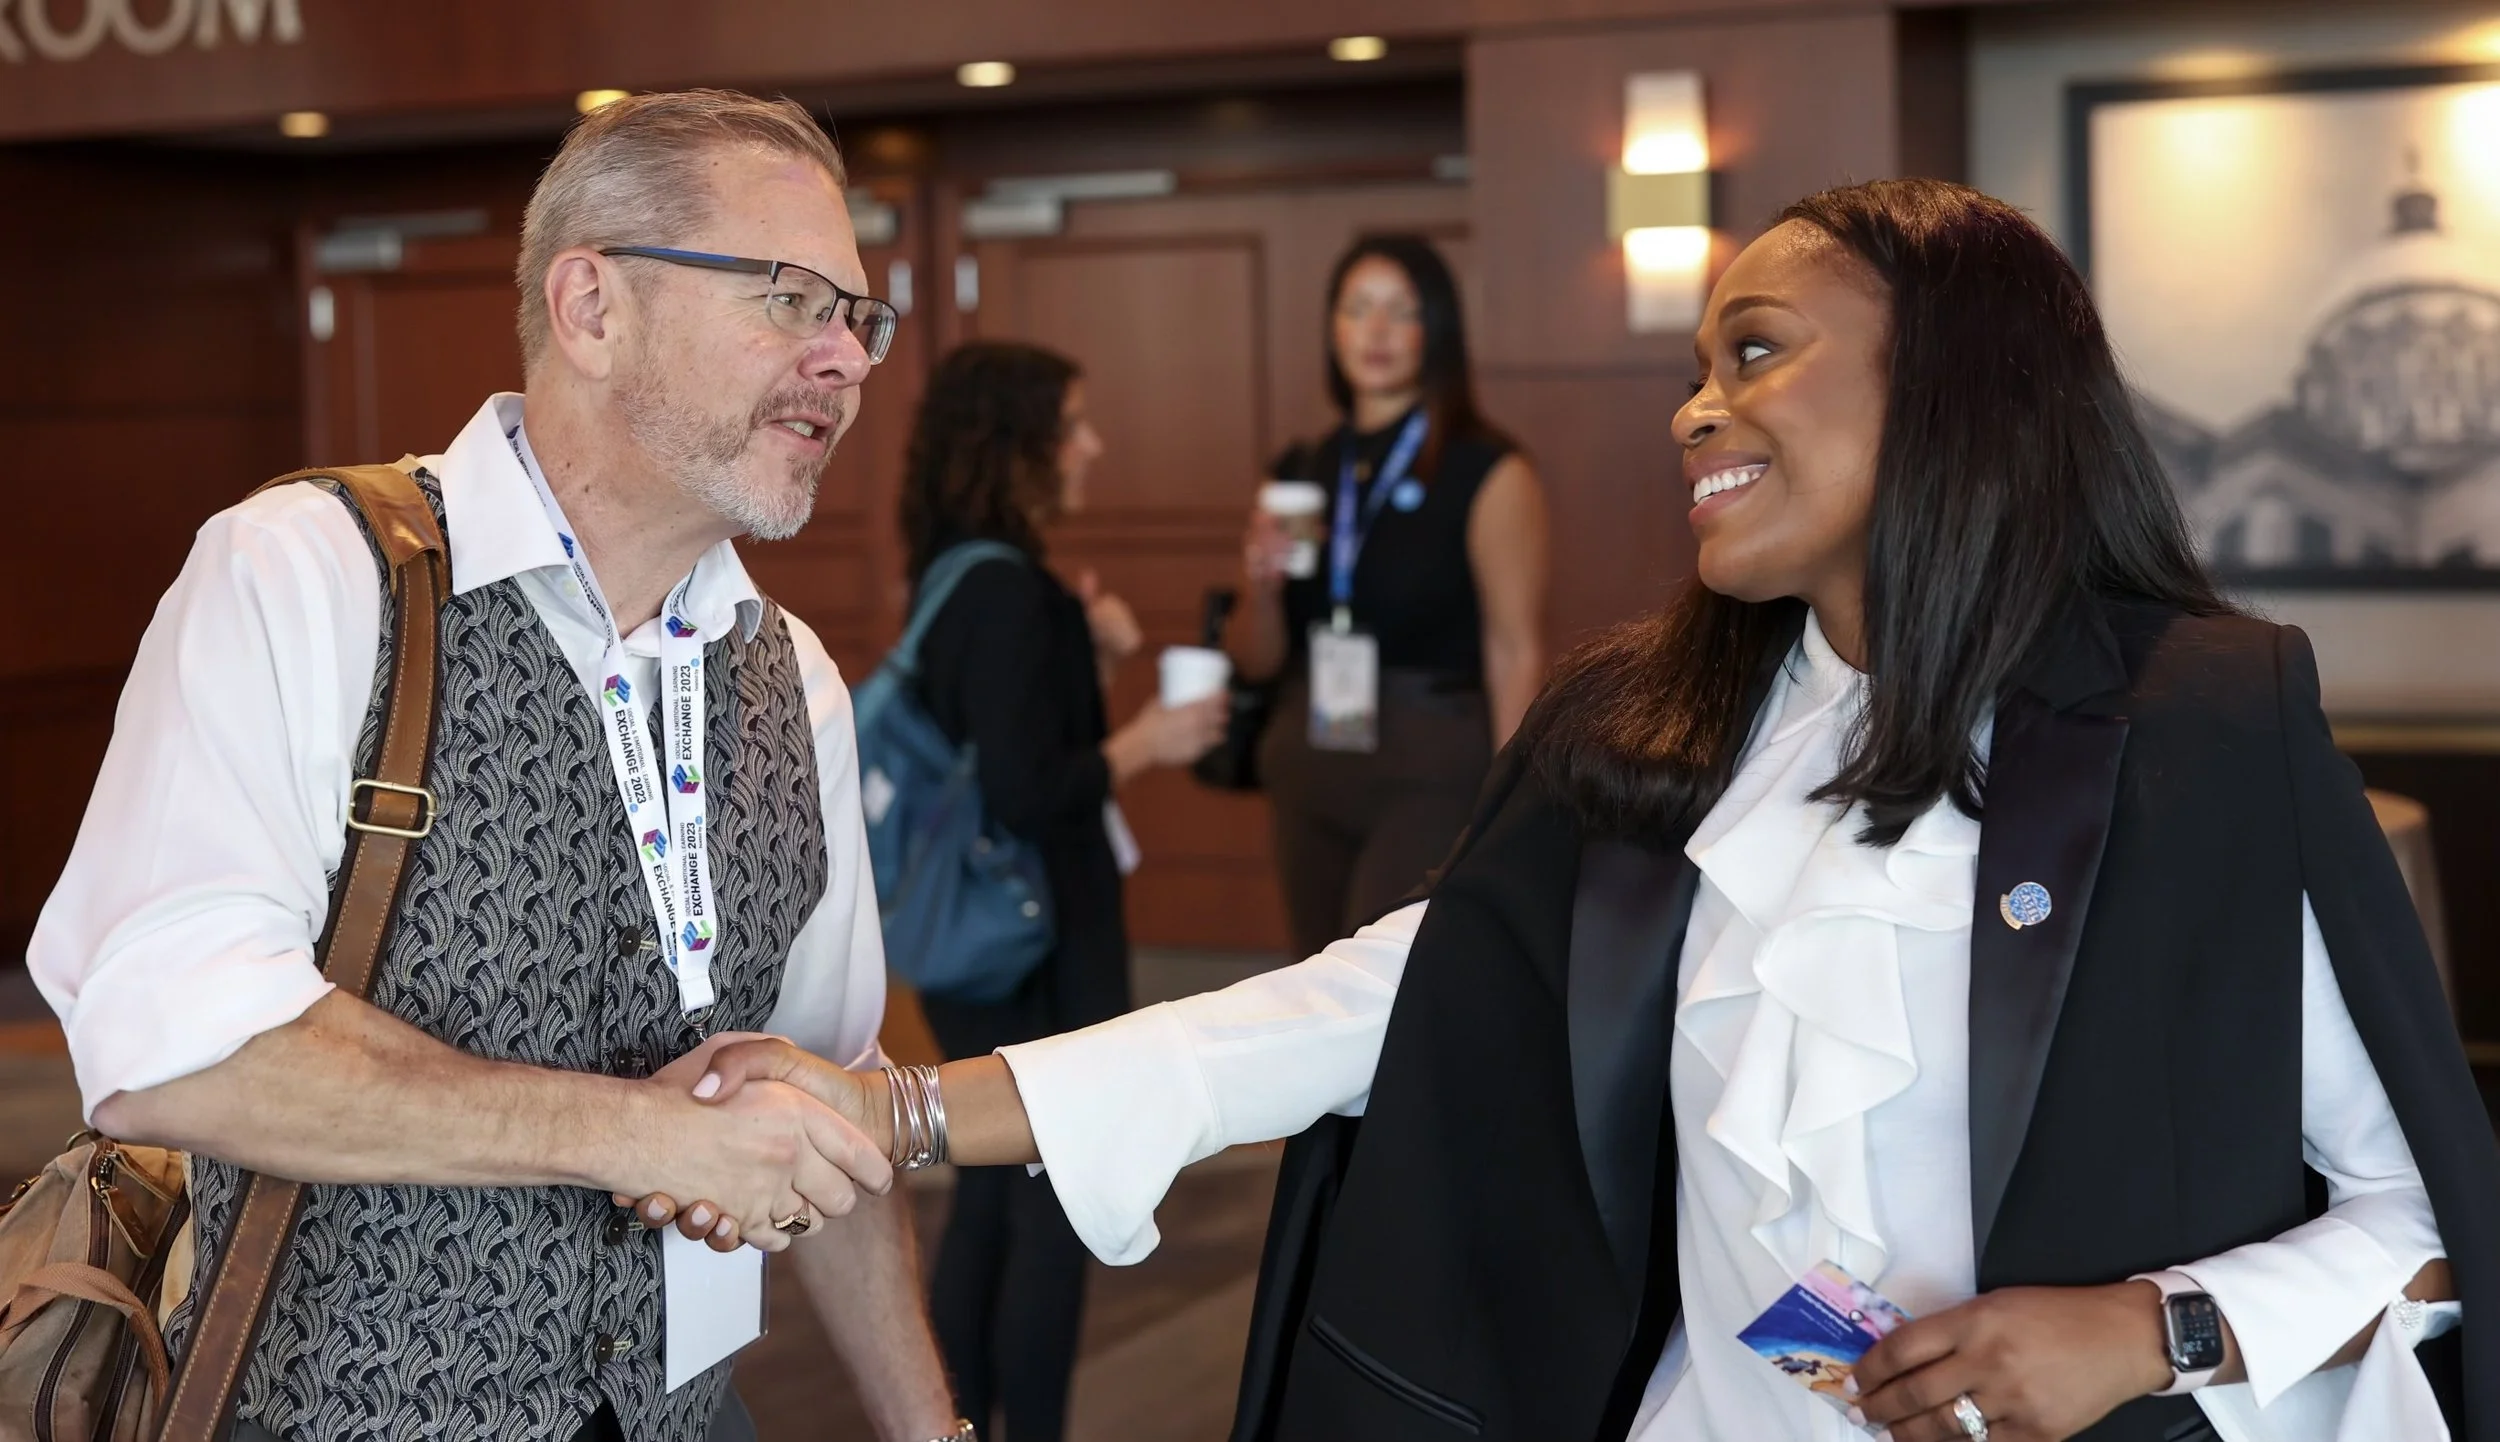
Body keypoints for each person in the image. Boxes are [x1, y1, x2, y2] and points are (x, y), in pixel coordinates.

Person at [665, 181, 2500, 1442]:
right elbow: (1370, 999)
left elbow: (2420, 1218)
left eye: (1757, 352)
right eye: (1698, 368)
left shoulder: (2198, 722)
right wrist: (901, 1110)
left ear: (1954, 379)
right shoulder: (1655, 730)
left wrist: (2138, 1333)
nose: (1700, 411)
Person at [27, 91, 975, 1442]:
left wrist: (931, 1434)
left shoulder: (790, 675)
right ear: (592, 308)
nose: (848, 359)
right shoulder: (309, 573)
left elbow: (830, 1096)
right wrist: (634, 1133)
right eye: (791, 297)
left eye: (859, 318)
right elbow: (173, 1052)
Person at [891, 341, 1226, 1441]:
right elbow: (1033, 789)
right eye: (1071, 424)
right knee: (1047, 1207)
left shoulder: (958, 574)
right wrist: (1146, 738)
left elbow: (1002, 739)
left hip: (978, 950)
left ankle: (952, 1422)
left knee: (991, 1198)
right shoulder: (1005, 588)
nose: (1091, 445)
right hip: (1035, 951)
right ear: (1018, 442)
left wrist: (1085, 651)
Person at [1230, 234, 1550, 960]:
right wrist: (1260, 582)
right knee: (1308, 976)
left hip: (1429, 760)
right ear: (1332, 328)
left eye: (1400, 312)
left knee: (1382, 981)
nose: (1375, 332)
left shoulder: (1488, 470)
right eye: (1358, 309)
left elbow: (1515, 648)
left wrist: (1513, 805)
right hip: (1310, 750)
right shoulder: (1306, 468)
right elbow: (1257, 658)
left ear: (1436, 330)